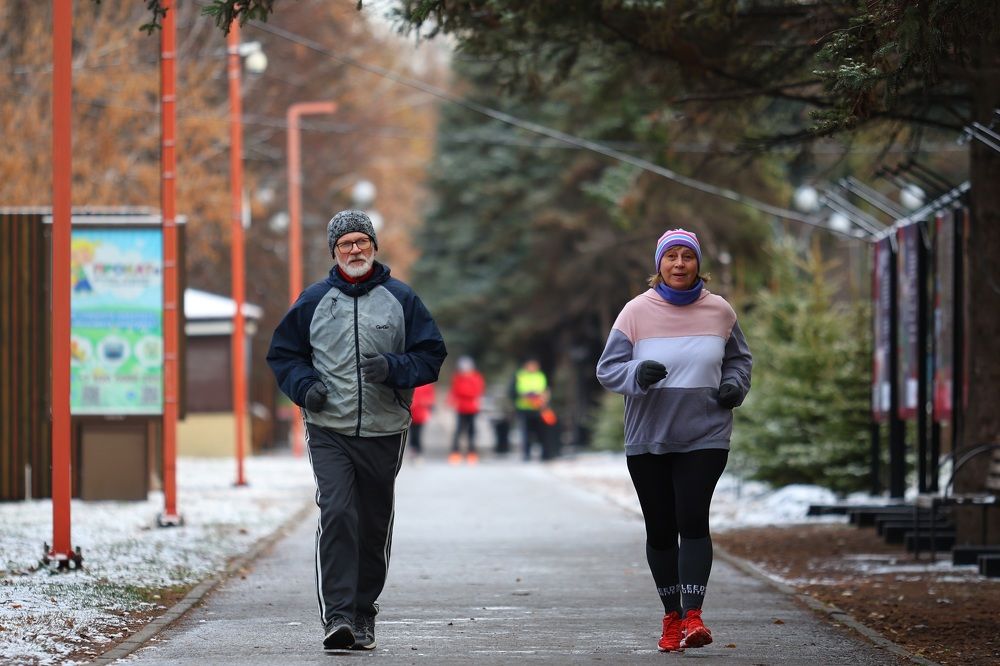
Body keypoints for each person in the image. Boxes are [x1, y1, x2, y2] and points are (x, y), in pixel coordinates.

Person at [266, 210, 447, 652]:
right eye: (345, 244)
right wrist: (305, 387)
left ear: (374, 247)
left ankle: (364, 612)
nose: (354, 250)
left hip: (386, 430)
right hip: (330, 428)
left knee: (371, 523)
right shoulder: (312, 301)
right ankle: (339, 617)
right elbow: (283, 356)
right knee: (338, 512)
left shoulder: (401, 299)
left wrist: (393, 368)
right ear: (334, 252)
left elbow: (432, 355)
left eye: (362, 242)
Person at [595, 228, 752, 652]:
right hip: (649, 436)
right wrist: (636, 375)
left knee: (692, 517)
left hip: (705, 433)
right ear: (659, 265)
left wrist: (735, 387)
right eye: (671, 257)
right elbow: (608, 370)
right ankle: (672, 617)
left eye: (687, 256)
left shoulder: (720, 311)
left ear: (698, 263)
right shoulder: (634, 312)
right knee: (661, 529)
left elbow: (739, 359)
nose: (679, 264)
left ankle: (694, 617)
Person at [446, 356, 486, 464]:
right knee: (458, 431)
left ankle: (472, 453)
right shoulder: (458, 378)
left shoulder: (476, 377)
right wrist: (451, 401)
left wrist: (464, 394)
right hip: (461, 408)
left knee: (471, 431)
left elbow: (476, 391)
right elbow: (455, 391)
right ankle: (455, 453)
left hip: (472, 408)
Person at [510, 358, 550, 461]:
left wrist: (543, 399)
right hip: (524, 408)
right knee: (526, 433)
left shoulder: (540, 376)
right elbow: (514, 391)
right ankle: (526, 454)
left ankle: (543, 453)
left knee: (540, 432)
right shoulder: (520, 375)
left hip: (538, 408)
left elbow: (545, 390)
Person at [409, 382, 436, 461]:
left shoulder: (427, 384)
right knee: (412, 433)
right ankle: (413, 450)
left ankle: (418, 452)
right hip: (411, 413)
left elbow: (430, 398)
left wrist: (424, 402)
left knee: (418, 433)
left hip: (420, 413)